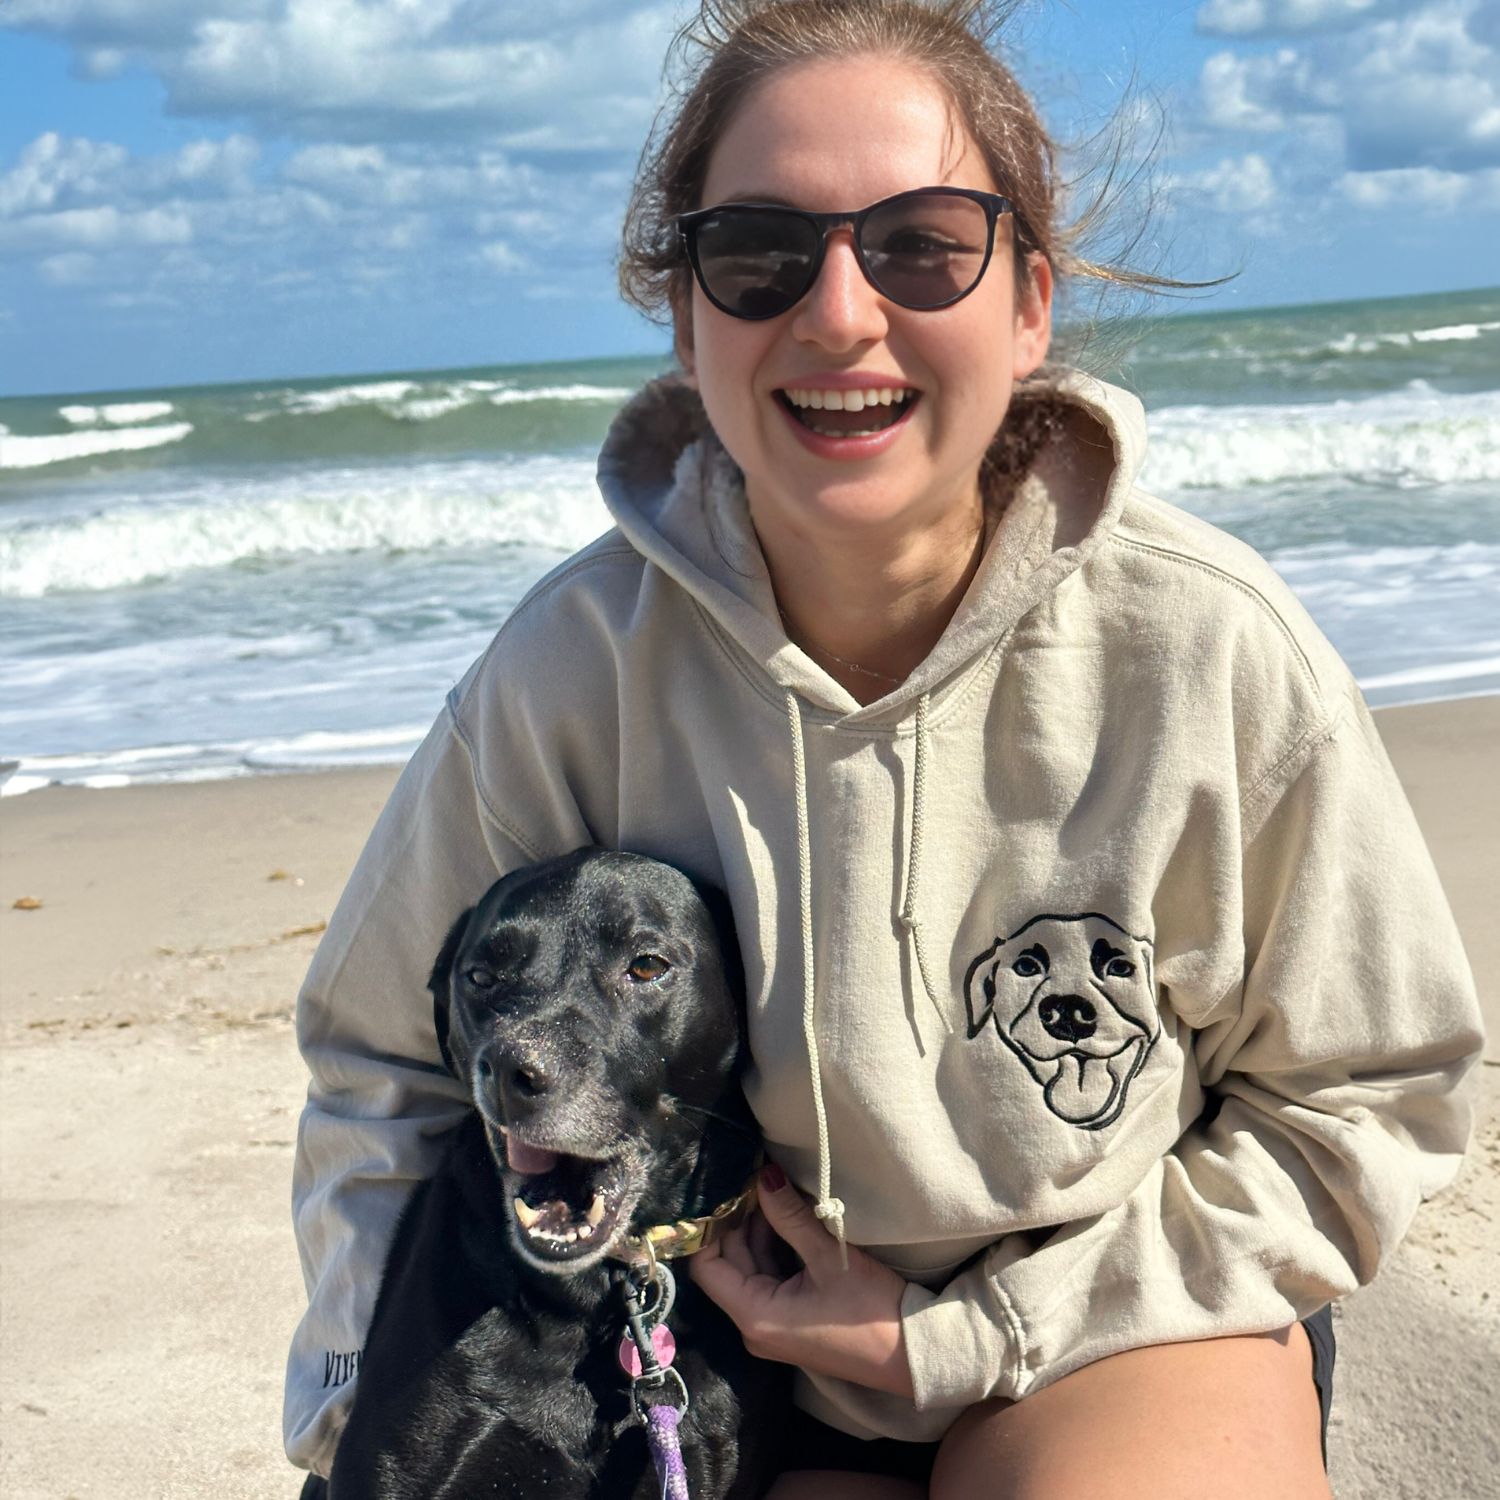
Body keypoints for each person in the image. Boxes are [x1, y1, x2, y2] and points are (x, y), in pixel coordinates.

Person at [284, 2, 1484, 1495]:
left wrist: (971, 1336)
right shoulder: (572, 672)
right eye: (758, 252)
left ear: (1030, 300)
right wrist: (358, 1406)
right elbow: (382, 1062)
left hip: (1114, 1345)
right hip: (721, 1370)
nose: (841, 312)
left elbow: (1372, 1092)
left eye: (922, 245)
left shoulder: (1212, 651)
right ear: (688, 317)